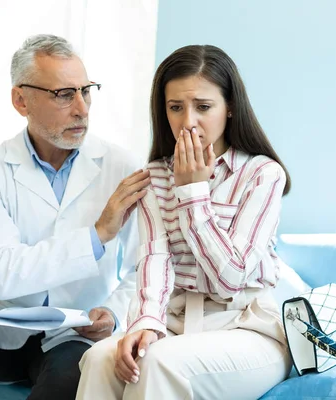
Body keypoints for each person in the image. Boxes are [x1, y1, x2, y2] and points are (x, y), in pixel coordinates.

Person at [0, 34, 150, 400]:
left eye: (86, 91)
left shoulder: (122, 166)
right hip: (0, 326)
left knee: (73, 372)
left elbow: (147, 265)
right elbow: (2, 272)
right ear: (20, 100)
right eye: (63, 94)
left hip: (73, 334)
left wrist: (113, 312)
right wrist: (97, 235)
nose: (82, 108)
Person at [77, 44, 293, 400]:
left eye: (203, 107)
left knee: (159, 362)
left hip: (248, 328)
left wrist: (192, 192)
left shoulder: (263, 175)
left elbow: (231, 277)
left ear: (231, 108)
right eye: (175, 107)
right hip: (178, 324)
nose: (188, 121)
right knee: (100, 357)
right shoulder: (155, 175)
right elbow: (154, 259)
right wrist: (146, 322)